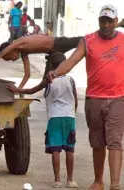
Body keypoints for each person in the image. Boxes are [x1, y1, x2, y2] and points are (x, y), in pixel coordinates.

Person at [48, 4, 124, 190]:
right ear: (98, 21)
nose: (105, 25)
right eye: (102, 21)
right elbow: (72, 60)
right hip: (94, 99)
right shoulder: (88, 41)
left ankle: (115, 184)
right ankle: (99, 181)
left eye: (109, 21)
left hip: (118, 98)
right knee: (97, 142)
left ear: (116, 22)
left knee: (114, 141)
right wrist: (56, 72)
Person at [7, 52, 78, 188]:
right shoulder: (71, 79)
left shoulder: (49, 81)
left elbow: (32, 90)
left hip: (54, 118)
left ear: (51, 65)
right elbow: (75, 100)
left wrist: (17, 89)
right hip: (69, 117)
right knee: (70, 150)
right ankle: (70, 180)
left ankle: (57, 180)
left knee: (56, 150)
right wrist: (72, 112)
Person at [0, 35, 82, 89]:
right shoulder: (24, 52)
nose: (12, 60)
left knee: (82, 40)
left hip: (58, 42)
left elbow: (2, 53)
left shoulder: (18, 42)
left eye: (10, 58)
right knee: (45, 82)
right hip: (52, 55)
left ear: (10, 51)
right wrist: (18, 89)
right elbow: (27, 75)